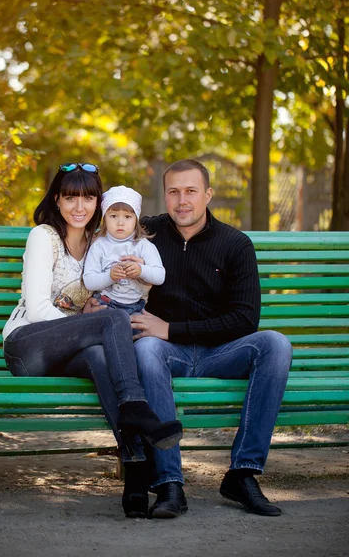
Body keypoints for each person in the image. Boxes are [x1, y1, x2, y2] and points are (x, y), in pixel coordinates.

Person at [2, 162, 183, 496]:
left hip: (67, 350)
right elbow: (39, 307)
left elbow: (133, 225)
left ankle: (136, 475)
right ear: (57, 199)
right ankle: (136, 405)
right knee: (113, 318)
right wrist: (85, 322)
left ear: (99, 204)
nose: (79, 207)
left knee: (100, 357)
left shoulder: (98, 242)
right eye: (71, 198)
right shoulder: (44, 236)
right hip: (26, 345)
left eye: (88, 198)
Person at [127, 159, 292, 519]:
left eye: (190, 191)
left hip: (222, 353)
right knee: (147, 347)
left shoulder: (235, 244)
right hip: (168, 352)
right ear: (165, 195)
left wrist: (173, 329)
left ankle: (242, 473)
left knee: (276, 344)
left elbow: (245, 319)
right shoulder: (146, 234)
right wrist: (92, 297)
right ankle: (169, 483)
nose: (181, 200)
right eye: (174, 192)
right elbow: (102, 244)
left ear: (208, 195)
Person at [83, 185, 165, 327]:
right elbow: (89, 280)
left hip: (135, 309)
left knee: (137, 339)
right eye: (113, 216)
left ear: (136, 219)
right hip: (105, 305)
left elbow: (159, 276)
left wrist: (141, 270)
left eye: (127, 217)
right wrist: (110, 276)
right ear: (105, 218)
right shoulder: (99, 246)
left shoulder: (143, 246)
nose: (120, 222)